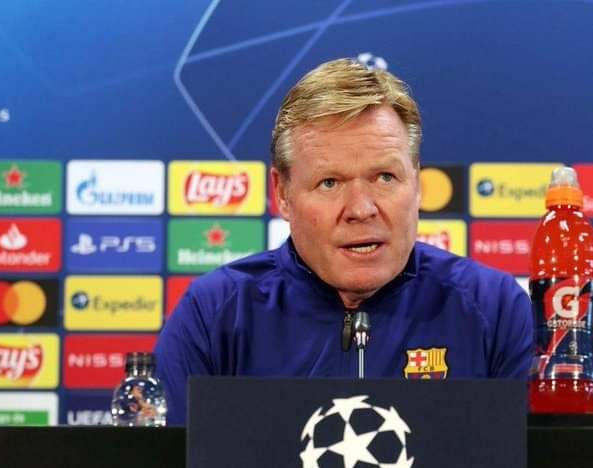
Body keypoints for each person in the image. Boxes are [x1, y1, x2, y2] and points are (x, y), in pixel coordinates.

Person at [155, 58, 533, 425]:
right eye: (330, 183)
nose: (361, 209)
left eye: (385, 177)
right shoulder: (212, 316)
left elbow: (532, 466)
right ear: (282, 194)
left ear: (417, 184)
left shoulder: (495, 310)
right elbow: (169, 467)